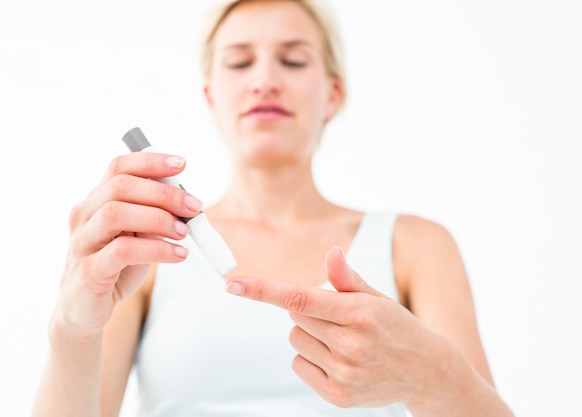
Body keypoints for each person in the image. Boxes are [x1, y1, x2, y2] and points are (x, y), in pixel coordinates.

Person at [32, 0, 515, 416]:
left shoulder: (415, 246)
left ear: (333, 93)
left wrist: (428, 374)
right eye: (240, 63)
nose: (264, 80)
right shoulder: (148, 253)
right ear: (211, 96)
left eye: (293, 60)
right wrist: (71, 329)